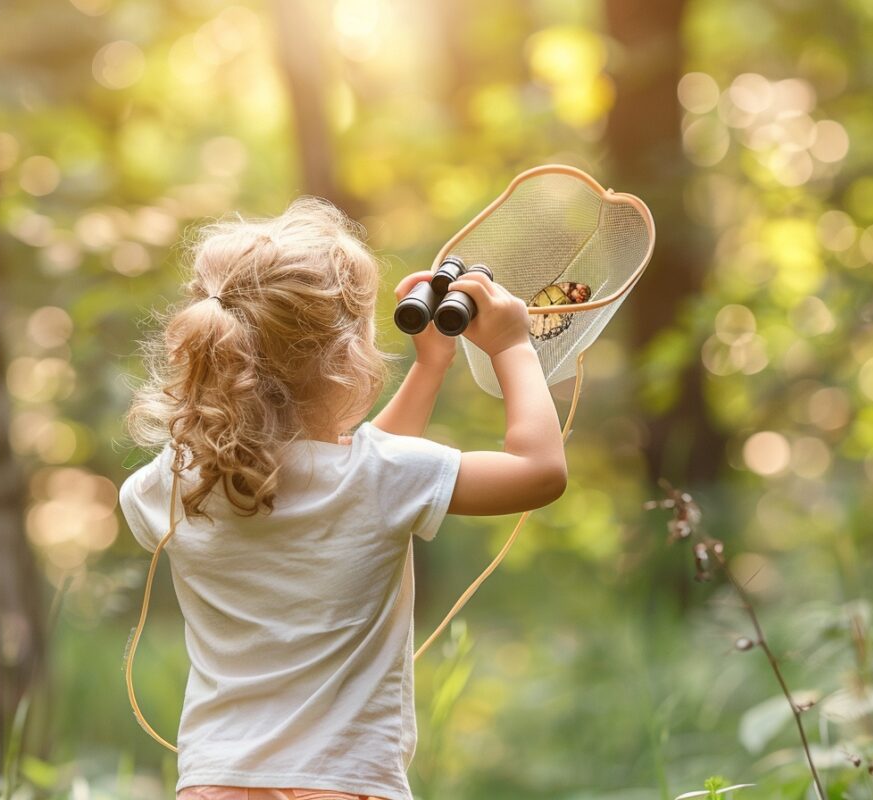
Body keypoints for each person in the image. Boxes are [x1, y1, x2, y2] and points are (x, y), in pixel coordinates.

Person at [118, 198, 567, 800]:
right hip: (344, 784)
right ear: (345, 359)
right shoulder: (381, 478)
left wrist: (429, 369)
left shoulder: (166, 484)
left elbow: (344, 483)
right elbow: (540, 471)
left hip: (215, 784)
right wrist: (513, 345)